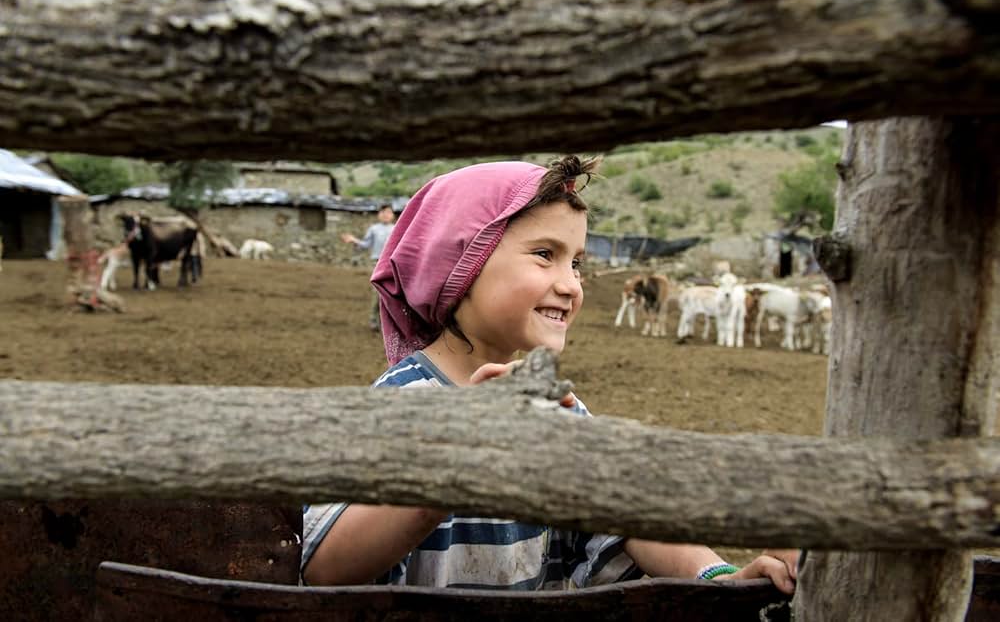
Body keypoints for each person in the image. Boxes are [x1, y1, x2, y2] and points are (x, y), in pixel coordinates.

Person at [303, 157, 798, 592]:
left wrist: (714, 577)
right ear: (460, 263)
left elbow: (622, 524)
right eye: (545, 254)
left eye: (577, 263)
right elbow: (326, 567)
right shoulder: (395, 406)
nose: (570, 285)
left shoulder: (555, 409)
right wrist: (456, 464)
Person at [340, 204, 396, 330]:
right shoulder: (374, 229)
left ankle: (388, 324)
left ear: (392, 215)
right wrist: (354, 240)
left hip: (393, 265)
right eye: (383, 212)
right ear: (379, 214)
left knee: (392, 295)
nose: (386, 215)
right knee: (377, 293)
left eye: (388, 212)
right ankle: (374, 320)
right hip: (377, 263)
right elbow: (365, 244)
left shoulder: (397, 229)